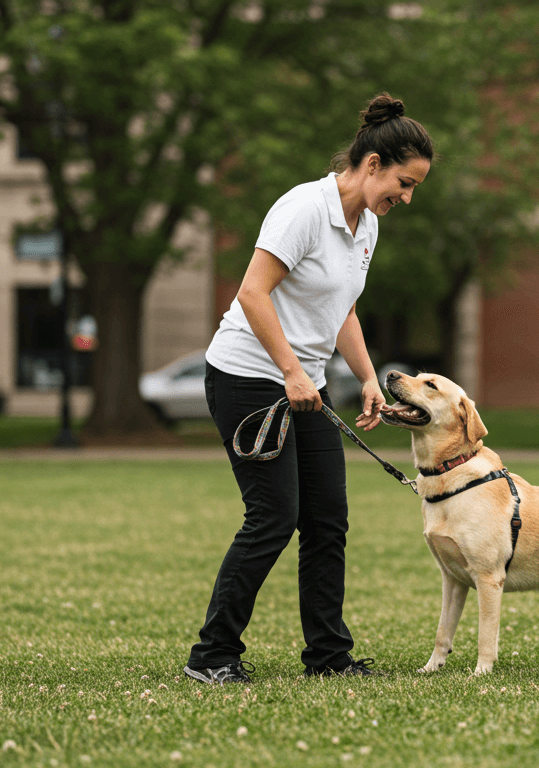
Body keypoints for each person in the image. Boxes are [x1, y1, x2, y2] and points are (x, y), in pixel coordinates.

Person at [183, 93, 435, 685]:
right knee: (273, 515)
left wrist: (369, 376)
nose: (406, 196)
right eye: (403, 181)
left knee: (327, 520)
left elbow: (341, 309)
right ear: (371, 164)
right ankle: (212, 655)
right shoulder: (302, 208)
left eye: (415, 186)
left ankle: (328, 656)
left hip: (306, 387)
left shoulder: (366, 224)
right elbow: (252, 292)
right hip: (247, 378)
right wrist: (293, 370)